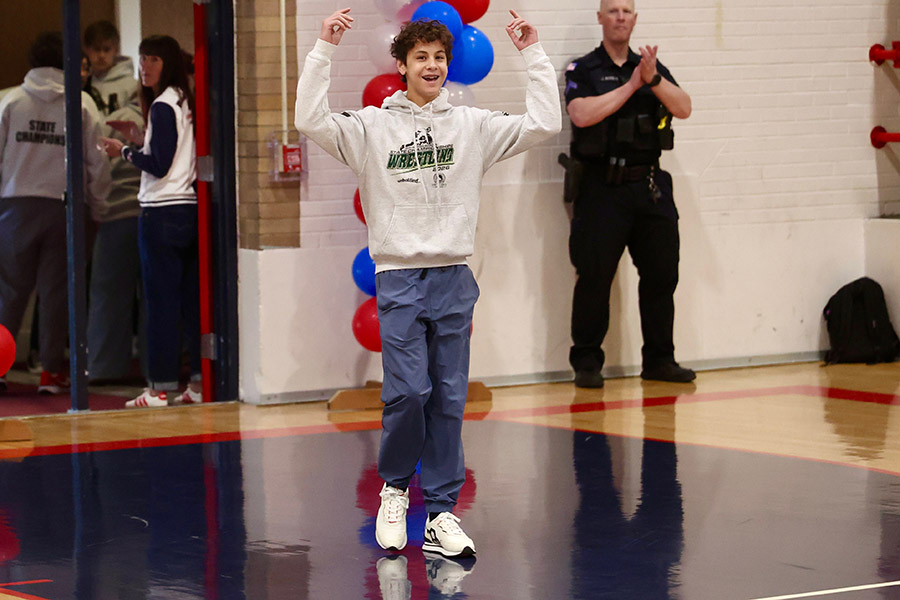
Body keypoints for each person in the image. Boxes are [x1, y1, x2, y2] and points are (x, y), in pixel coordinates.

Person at [294, 9, 560, 557]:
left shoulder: (472, 127)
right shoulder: (371, 127)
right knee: (409, 391)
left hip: (453, 276)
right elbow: (308, 120)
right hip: (398, 277)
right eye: (422, 58)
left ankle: (439, 514)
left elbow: (544, 124)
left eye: (440, 57)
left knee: (449, 398)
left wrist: (532, 54)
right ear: (402, 65)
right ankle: (395, 487)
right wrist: (324, 48)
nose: (433, 66)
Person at [563, 0, 694, 389]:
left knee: (661, 275)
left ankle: (659, 360)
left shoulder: (651, 69)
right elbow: (582, 115)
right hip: (602, 187)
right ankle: (587, 362)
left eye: (627, 11)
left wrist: (651, 80)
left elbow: (684, 108)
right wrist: (633, 84)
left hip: (649, 186)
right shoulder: (584, 69)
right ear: (601, 19)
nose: (620, 17)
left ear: (635, 20)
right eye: (613, 11)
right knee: (594, 276)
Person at [0, 32, 111, 395]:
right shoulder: (80, 105)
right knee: (57, 294)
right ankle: (50, 373)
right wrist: (99, 206)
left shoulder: (10, 102)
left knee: (9, 292)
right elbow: (97, 162)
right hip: (66, 207)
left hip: (15, 206)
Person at [99, 35, 201, 408]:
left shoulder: (161, 104)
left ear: (168, 62)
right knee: (191, 301)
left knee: (159, 304)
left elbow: (159, 165)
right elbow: (172, 153)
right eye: (142, 59)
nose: (145, 67)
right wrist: (139, 139)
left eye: (154, 59)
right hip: (188, 207)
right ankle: (199, 382)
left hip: (161, 211)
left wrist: (123, 150)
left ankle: (159, 387)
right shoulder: (184, 100)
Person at [83, 21, 146, 383]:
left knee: (122, 287)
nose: (103, 55)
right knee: (109, 288)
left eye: (109, 48)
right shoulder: (85, 88)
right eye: (97, 50)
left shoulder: (133, 85)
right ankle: (106, 366)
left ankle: (144, 366)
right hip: (107, 191)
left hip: (132, 184)